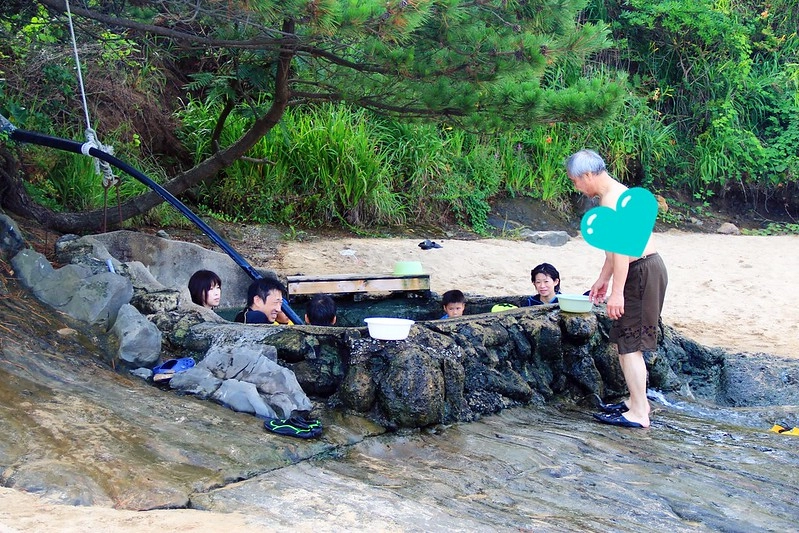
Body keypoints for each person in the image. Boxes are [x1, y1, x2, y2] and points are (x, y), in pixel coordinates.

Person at [566, 149, 668, 429]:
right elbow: (613, 248)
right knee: (625, 342)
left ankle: (639, 412)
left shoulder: (611, 200)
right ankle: (636, 402)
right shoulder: (616, 194)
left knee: (630, 346)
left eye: (575, 181)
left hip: (640, 272)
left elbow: (622, 251)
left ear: (588, 175)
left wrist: (617, 292)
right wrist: (603, 279)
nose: (576, 187)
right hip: (643, 269)